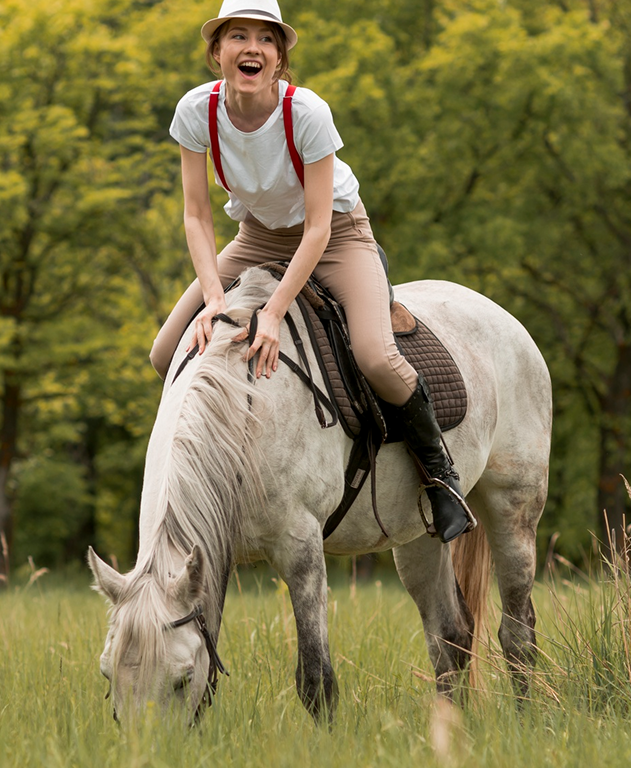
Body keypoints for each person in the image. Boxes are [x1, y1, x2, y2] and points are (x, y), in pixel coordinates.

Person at [149, 0, 474, 542]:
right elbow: (196, 214)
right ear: (217, 51)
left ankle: (441, 477)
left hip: (337, 236)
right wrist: (214, 300)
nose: (253, 48)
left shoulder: (306, 113)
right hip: (256, 236)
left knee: (375, 355)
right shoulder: (195, 111)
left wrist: (274, 311)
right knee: (166, 353)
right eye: (238, 36)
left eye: (266, 39)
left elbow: (319, 227)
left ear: (279, 57)